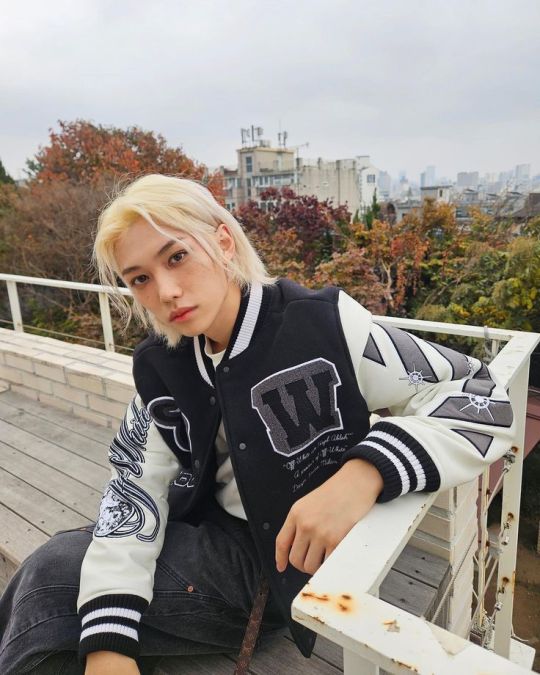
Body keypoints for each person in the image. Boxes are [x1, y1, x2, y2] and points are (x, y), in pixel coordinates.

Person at [0, 175, 515, 674]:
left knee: (49, 584)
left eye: (176, 257)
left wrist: (364, 474)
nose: (167, 291)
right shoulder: (163, 365)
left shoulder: (322, 324)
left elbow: (482, 396)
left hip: (277, 571)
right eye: (140, 279)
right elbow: (133, 491)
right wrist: (109, 644)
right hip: (201, 537)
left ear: (223, 242)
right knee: (61, 581)